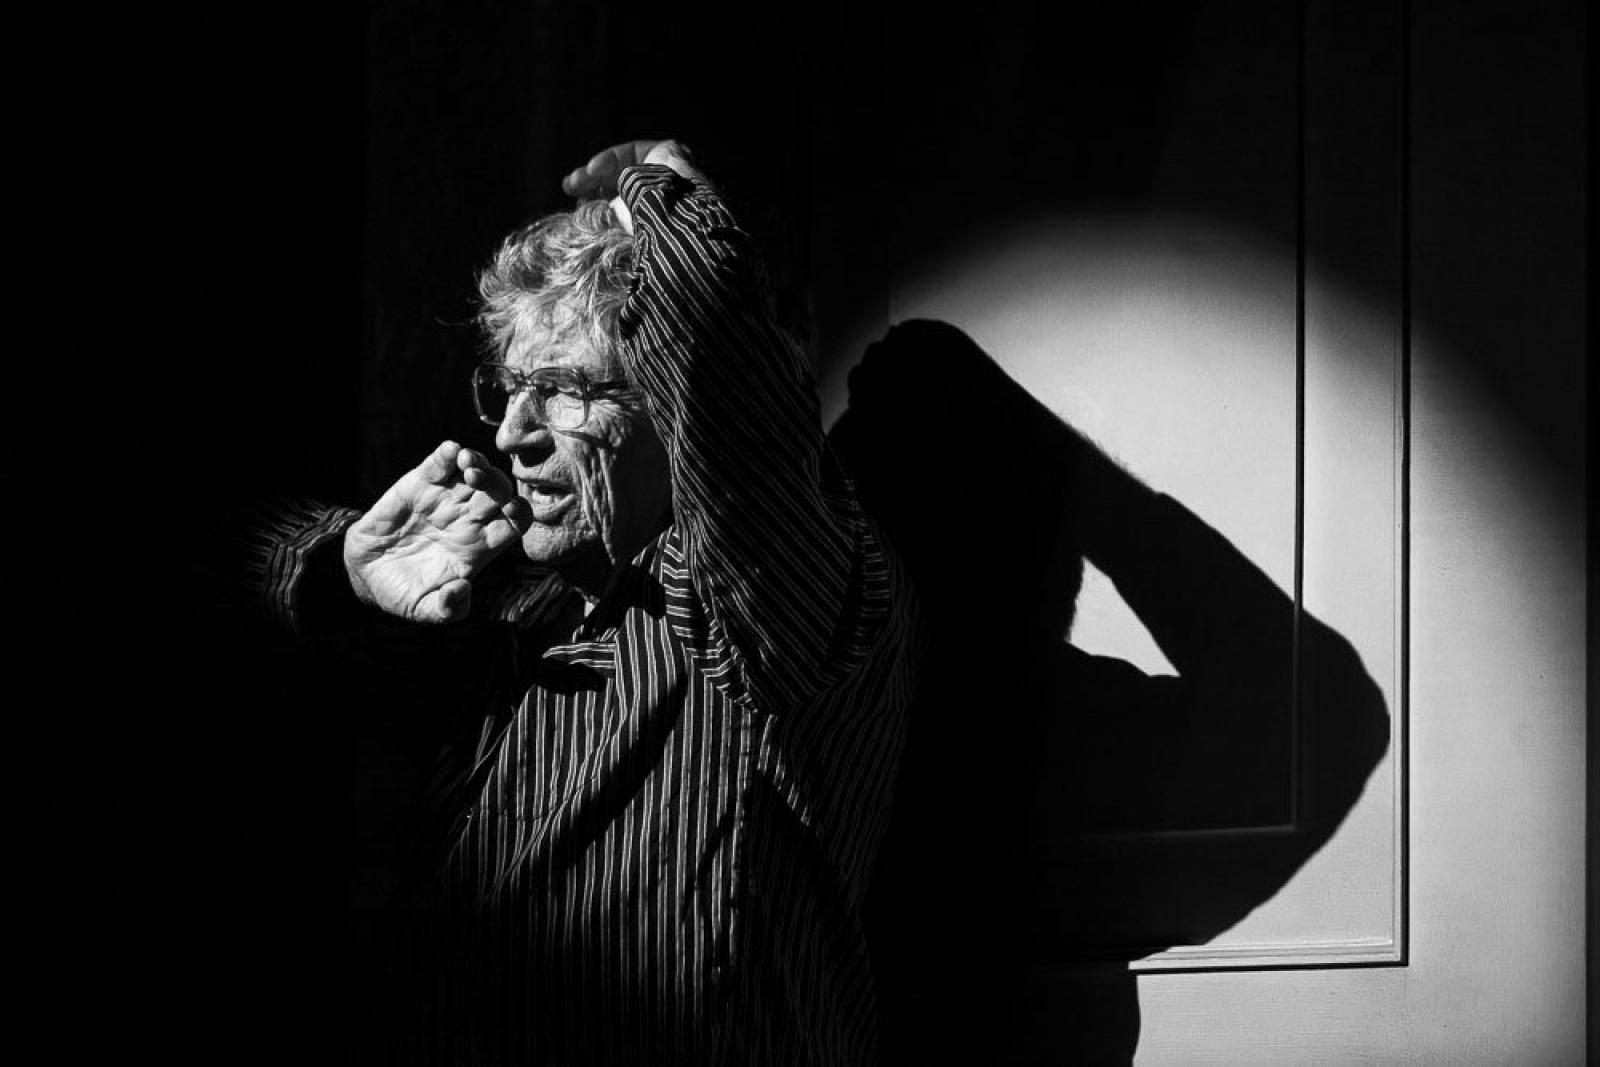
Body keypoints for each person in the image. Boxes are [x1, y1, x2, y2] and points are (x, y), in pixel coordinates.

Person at [236, 140, 920, 1064]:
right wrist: (341, 573)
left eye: (561, 391)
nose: (512, 434)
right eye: (511, 388)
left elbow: (736, 406)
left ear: (681, 408)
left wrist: (668, 196)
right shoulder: (519, 607)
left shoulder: (782, 594)